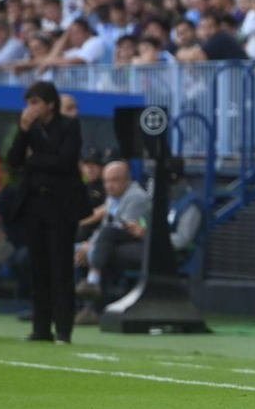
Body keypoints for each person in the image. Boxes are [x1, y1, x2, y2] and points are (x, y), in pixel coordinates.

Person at [8, 81, 90, 344]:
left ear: (50, 104)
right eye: (28, 103)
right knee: (38, 268)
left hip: (61, 206)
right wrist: (23, 132)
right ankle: (40, 328)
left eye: (35, 103)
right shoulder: (28, 128)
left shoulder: (69, 126)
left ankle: (64, 330)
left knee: (60, 268)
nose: (30, 109)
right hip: (34, 204)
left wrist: (34, 160)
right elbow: (12, 160)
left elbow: (65, 162)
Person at [75, 160, 150, 318]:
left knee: (101, 249)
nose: (109, 185)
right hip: (112, 246)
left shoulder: (137, 197)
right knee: (79, 252)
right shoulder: (111, 199)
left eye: (114, 180)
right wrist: (88, 245)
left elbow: (123, 230)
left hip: (139, 247)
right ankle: (82, 307)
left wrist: (93, 246)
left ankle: (93, 291)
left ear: (127, 179)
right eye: (106, 181)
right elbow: (103, 229)